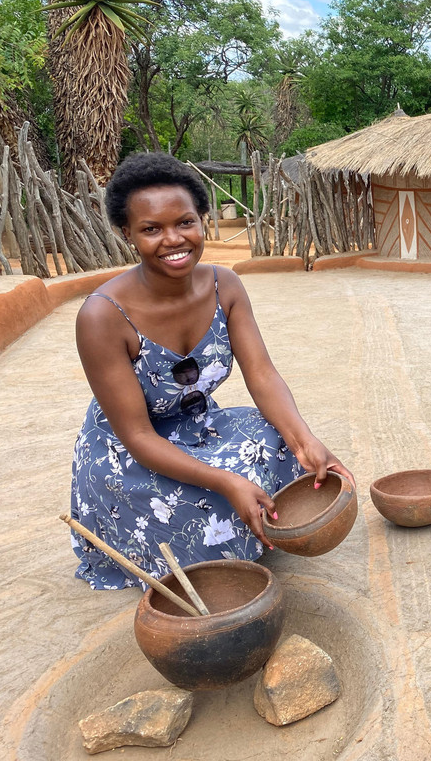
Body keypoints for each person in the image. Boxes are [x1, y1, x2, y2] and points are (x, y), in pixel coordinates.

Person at [69, 152, 353, 590]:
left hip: (198, 426)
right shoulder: (102, 316)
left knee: (275, 437)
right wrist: (224, 481)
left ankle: (243, 514)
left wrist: (306, 441)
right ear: (126, 233)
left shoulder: (225, 285)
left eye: (184, 222)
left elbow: (261, 374)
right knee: (208, 509)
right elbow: (139, 437)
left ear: (203, 219)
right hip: (128, 453)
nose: (173, 239)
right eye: (151, 229)